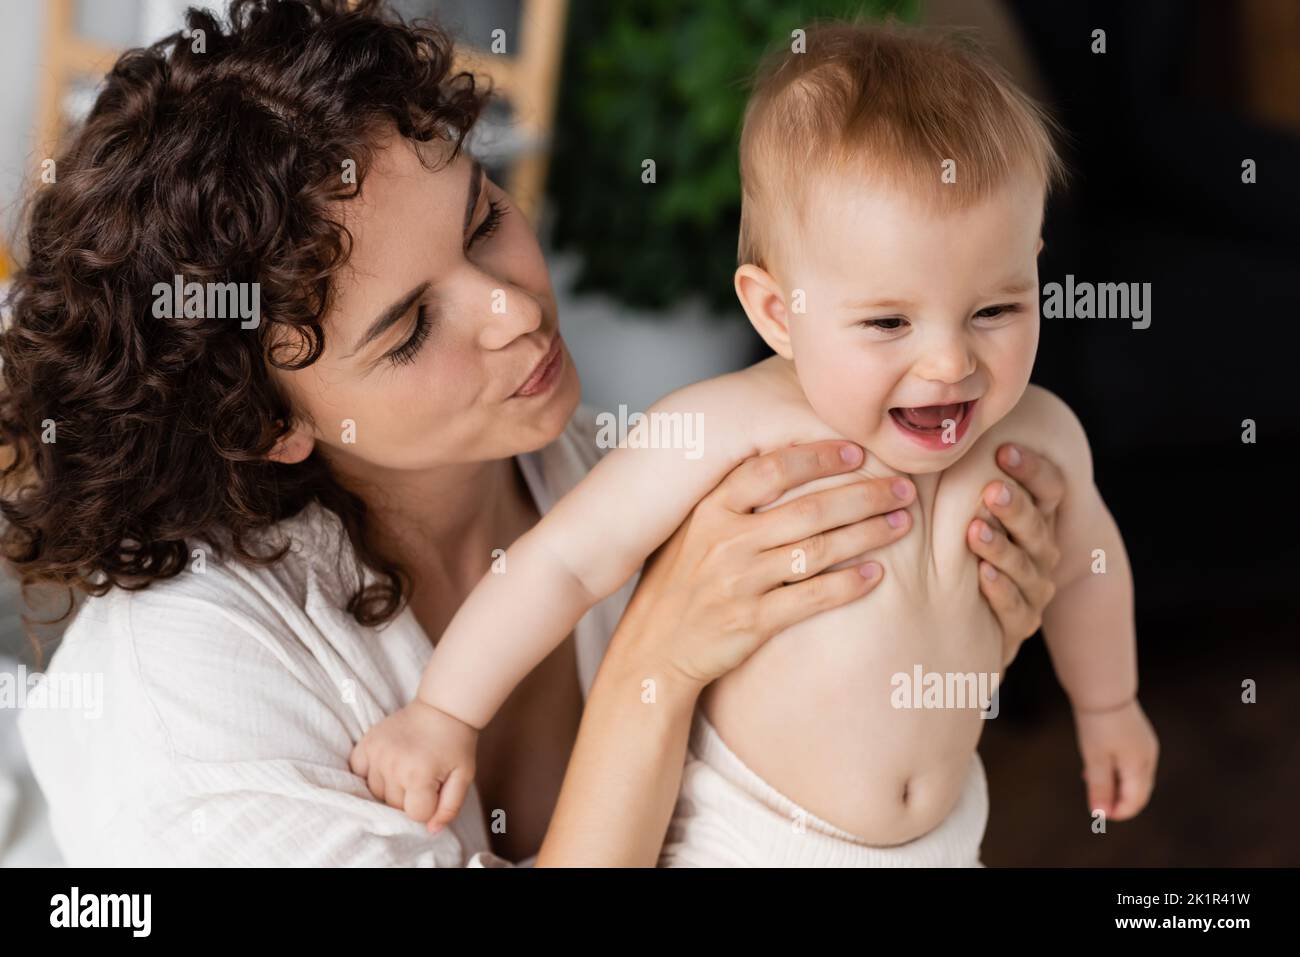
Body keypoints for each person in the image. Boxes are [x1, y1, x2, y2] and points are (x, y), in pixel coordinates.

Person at [3, 0, 1066, 867]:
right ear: (263, 424)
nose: (513, 309)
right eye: (413, 328)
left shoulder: (573, 458)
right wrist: (660, 658)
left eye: (484, 221)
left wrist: (949, 624)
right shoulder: (182, 714)